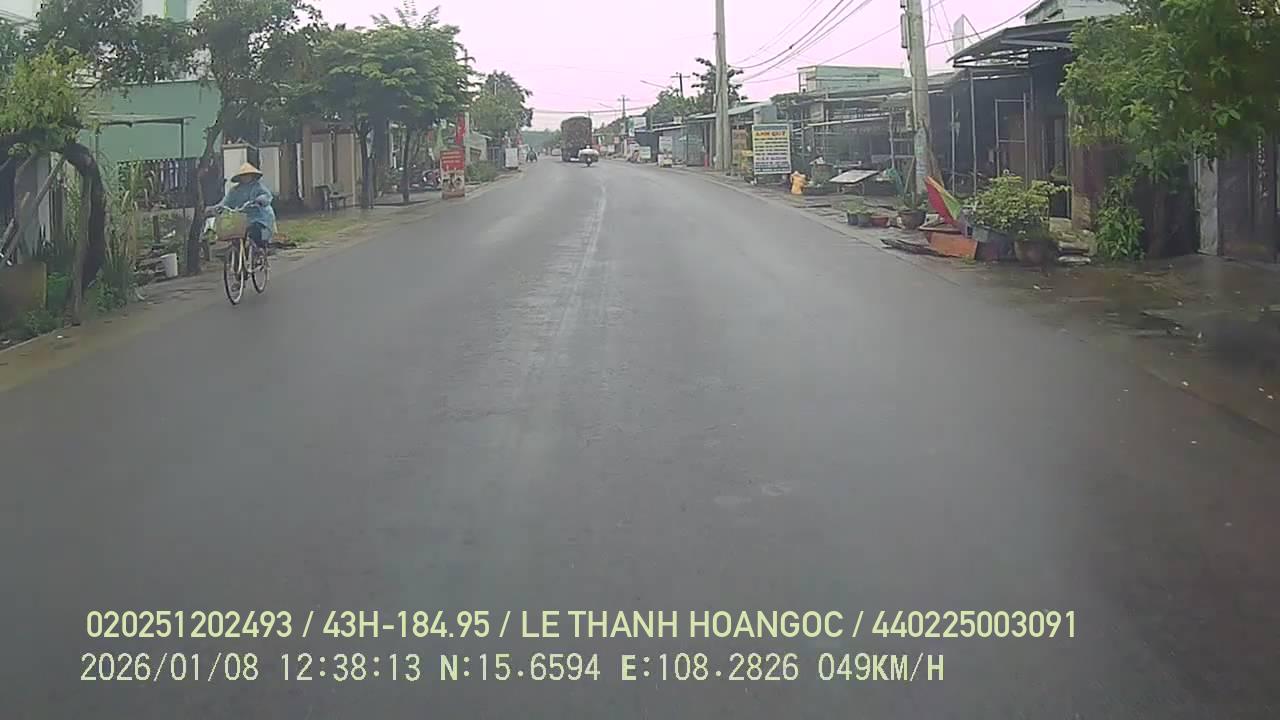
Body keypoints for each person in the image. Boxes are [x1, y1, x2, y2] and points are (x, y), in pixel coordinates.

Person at [209, 162, 276, 253]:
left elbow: (266, 196)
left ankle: (259, 248)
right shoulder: (234, 190)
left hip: (258, 217)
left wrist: (259, 200)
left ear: (252, 176)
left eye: (248, 175)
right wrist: (217, 208)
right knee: (235, 234)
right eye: (243, 175)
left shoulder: (258, 187)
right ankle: (239, 254)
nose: (245, 177)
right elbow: (226, 202)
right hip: (240, 217)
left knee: (255, 230)